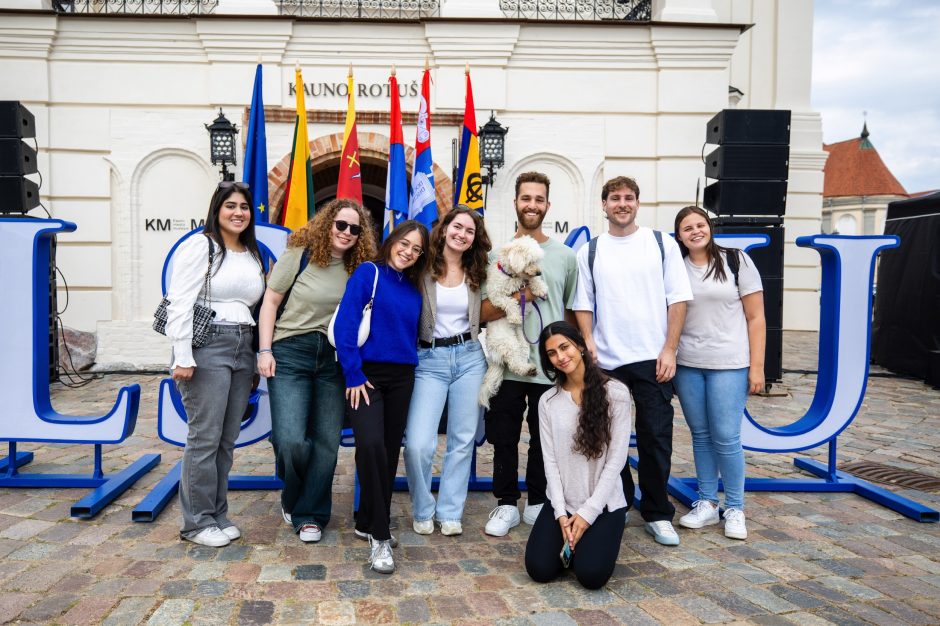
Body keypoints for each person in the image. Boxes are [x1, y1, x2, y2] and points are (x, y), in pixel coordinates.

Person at [572, 176, 693, 546]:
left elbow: (679, 299)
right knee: (610, 440)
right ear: (604, 205)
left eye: (628, 198)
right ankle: (618, 502)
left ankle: (657, 512)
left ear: (637, 204)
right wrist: (589, 341)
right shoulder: (590, 251)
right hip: (607, 362)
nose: (621, 204)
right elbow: (583, 303)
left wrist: (669, 348)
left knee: (657, 437)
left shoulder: (661, 245)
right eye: (614, 198)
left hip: (652, 358)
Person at [257, 198, 377, 544]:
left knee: (326, 442)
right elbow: (270, 302)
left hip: (334, 359)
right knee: (291, 439)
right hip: (291, 350)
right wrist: (264, 350)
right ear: (327, 224)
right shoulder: (301, 253)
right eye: (341, 225)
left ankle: (311, 513)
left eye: (355, 229)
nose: (347, 233)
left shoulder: (362, 267)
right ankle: (293, 494)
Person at [165, 181, 265, 548]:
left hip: (243, 344)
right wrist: (183, 354)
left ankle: (217, 514)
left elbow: (252, 306)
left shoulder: (251, 253)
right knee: (204, 437)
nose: (238, 212)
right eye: (230, 206)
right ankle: (195, 522)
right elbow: (179, 301)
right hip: (207, 344)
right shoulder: (201, 245)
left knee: (226, 440)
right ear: (216, 210)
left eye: (244, 206)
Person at [483, 171, 579, 537]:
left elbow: (569, 311)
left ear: (547, 206)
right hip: (508, 365)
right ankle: (506, 503)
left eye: (539, 200)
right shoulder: (497, 256)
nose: (532, 206)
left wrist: (574, 357)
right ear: (516, 203)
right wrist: (517, 298)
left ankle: (538, 500)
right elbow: (481, 313)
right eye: (526, 199)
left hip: (549, 365)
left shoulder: (565, 257)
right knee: (503, 436)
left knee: (546, 439)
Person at [334, 220, 429, 574]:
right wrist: (353, 373)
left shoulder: (416, 285)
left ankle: (366, 519)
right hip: (367, 376)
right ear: (392, 242)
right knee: (371, 444)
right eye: (404, 244)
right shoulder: (368, 272)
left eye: (416, 249)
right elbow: (346, 324)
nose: (408, 252)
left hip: (403, 377)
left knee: (388, 453)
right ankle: (380, 535)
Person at [672, 206, 765, 540]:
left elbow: (756, 317)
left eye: (700, 225)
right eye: (687, 228)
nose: (695, 231)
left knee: (726, 436)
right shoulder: (676, 267)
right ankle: (708, 503)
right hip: (688, 364)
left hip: (730, 363)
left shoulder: (735, 260)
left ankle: (736, 507)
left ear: (710, 228)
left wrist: (757, 367)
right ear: (679, 236)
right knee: (700, 434)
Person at [404, 206, 491, 537]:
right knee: (418, 443)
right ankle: (423, 507)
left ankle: (450, 510)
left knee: (462, 438)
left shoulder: (477, 269)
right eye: (458, 227)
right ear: (444, 229)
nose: (462, 234)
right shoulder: (422, 265)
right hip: (429, 359)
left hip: (469, 356)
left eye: (469, 231)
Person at [525, 321, 631, 590]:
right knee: (538, 569)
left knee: (591, 576)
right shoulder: (547, 401)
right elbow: (549, 461)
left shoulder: (616, 393)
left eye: (565, 347)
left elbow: (616, 461)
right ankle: (574, 539)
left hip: (603, 504)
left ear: (581, 347)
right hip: (563, 502)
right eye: (552, 353)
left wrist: (588, 513)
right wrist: (561, 513)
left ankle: (592, 539)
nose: (560, 357)